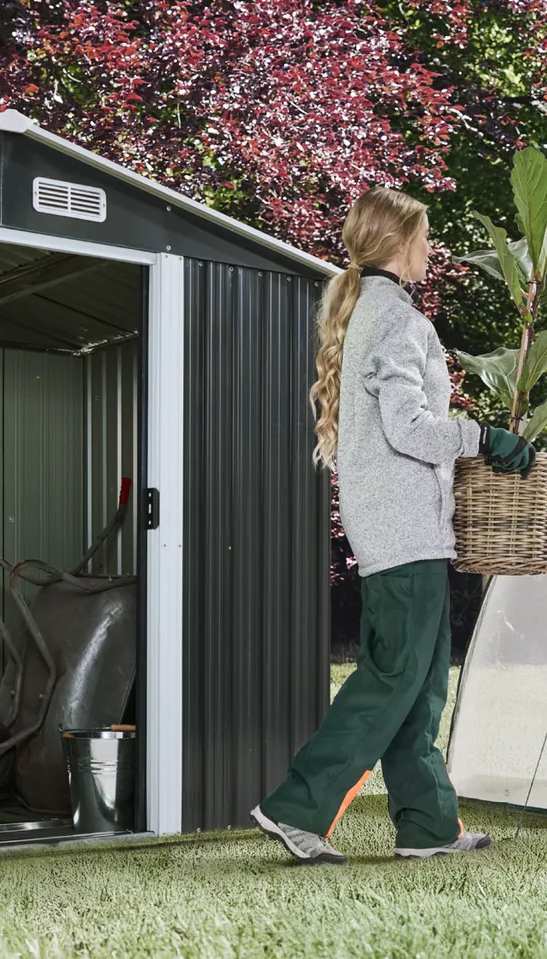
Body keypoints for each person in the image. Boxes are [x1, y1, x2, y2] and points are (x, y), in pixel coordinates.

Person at [250, 187, 537, 865]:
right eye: (425, 237)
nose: (430, 248)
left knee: (420, 683)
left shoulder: (370, 312)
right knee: (392, 677)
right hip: (404, 531)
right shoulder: (398, 320)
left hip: (400, 530)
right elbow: (408, 428)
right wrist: (482, 436)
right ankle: (296, 807)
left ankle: (428, 825)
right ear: (398, 243)